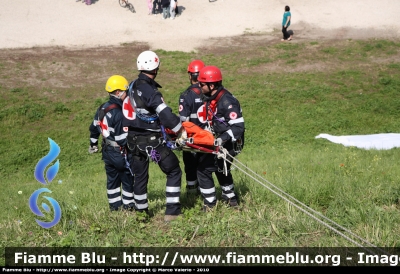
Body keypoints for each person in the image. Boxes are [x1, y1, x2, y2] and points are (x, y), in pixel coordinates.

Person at [122, 50, 184, 222]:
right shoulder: (150, 90)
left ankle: (141, 214)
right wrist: (179, 129)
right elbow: (164, 114)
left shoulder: (132, 86)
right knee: (173, 170)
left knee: (140, 176)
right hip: (151, 143)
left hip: (133, 143)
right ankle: (172, 212)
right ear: (156, 67)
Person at [196, 66, 245, 211]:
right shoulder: (212, 98)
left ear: (212, 85)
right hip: (221, 139)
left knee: (203, 168)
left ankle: (210, 204)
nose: (199, 86)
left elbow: (238, 127)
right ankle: (231, 199)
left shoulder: (226, 101)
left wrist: (221, 139)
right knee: (220, 168)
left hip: (231, 142)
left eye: (202, 84)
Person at [88, 75, 135, 212]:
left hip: (107, 151)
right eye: (125, 91)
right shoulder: (119, 113)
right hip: (119, 152)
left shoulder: (103, 108)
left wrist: (93, 144)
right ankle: (128, 208)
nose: (127, 94)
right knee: (127, 178)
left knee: (112, 180)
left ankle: (114, 208)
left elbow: (93, 128)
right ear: (117, 92)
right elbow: (122, 139)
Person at [178, 60, 206, 194]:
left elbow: (184, 121)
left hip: (192, 140)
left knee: (190, 167)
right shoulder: (210, 93)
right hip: (207, 138)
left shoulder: (186, 96)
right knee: (205, 169)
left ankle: (192, 194)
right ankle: (206, 192)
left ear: (190, 76)